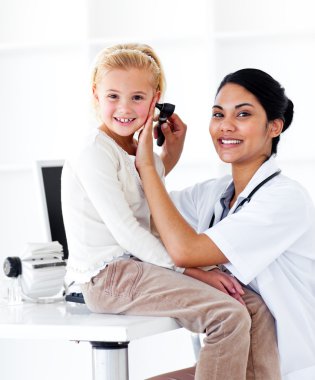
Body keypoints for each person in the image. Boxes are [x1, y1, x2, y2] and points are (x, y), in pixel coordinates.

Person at [61, 44, 281, 380]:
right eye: (113, 96)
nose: (124, 108)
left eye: (137, 97)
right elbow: (130, 233)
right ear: (95, 94)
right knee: (228, 316)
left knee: (254, 308)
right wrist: (194, 271)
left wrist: (166, 158)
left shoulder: (135, 149)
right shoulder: (94, 152)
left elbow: (145, 205)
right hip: (109, 277)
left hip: (138, 266)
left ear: (156, 100)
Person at [136, 68, 315, 380]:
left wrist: (148, 164)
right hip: (234, 361)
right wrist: (167, 160)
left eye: (243, 114)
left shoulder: (285, 199)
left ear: (274, 127)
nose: (226, 126)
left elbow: (185, 251)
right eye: (218, 114)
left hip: (281, 369)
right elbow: (141, 218)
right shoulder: (214, 193)